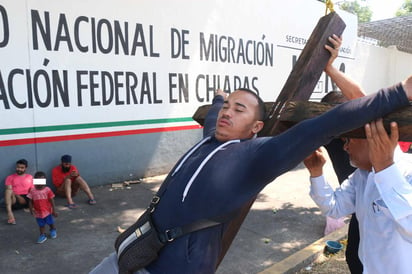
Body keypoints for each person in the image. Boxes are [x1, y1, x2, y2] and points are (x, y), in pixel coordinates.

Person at [90, 56, 412, 273]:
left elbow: (328, 123)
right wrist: (219, 100)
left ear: (256, 128)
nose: (228, 112)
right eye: (227, 106)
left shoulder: (255, 157)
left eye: (239, 109)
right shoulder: (212, 139)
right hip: (135, 251)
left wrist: (400, 93)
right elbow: (215, 118)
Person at [304, 118, 412, 274]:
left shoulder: (408, 172)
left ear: (372, 139)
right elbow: (334, 207)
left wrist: (385, 169)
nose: (345, 147)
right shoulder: (362, 175)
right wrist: (316, 172)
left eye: (349, 140)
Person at [321, 34, 364, 273]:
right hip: (360, 210)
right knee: (356, 259)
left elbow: (361, 100)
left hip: (388, 207)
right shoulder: (331, 137)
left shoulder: (371, 133)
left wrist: (330, 68)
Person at [27, 171, 58, 244]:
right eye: (38, 181)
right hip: (38, 212)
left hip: (47, 211)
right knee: (41, 224)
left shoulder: (47, 190)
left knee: (50, 222)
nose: (40, 184)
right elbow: (30, 201)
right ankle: (42, 235)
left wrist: (54, 210)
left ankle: (53, 229)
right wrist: (31, 209)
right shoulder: (32, 190)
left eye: (42, 181)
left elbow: (52, 200)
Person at [4, 159, 33, 225]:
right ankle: (10, 214)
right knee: (8, 191)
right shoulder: (10, 177)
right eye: (18, 167)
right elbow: (9, 190)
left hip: (27, 198)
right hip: (15, 199)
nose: (19, 169)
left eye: (22, 168)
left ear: (26, 168)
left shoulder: (30, 177)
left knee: (39, 187)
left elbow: (32, 189)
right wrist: (18, 196)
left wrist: (31, 200)